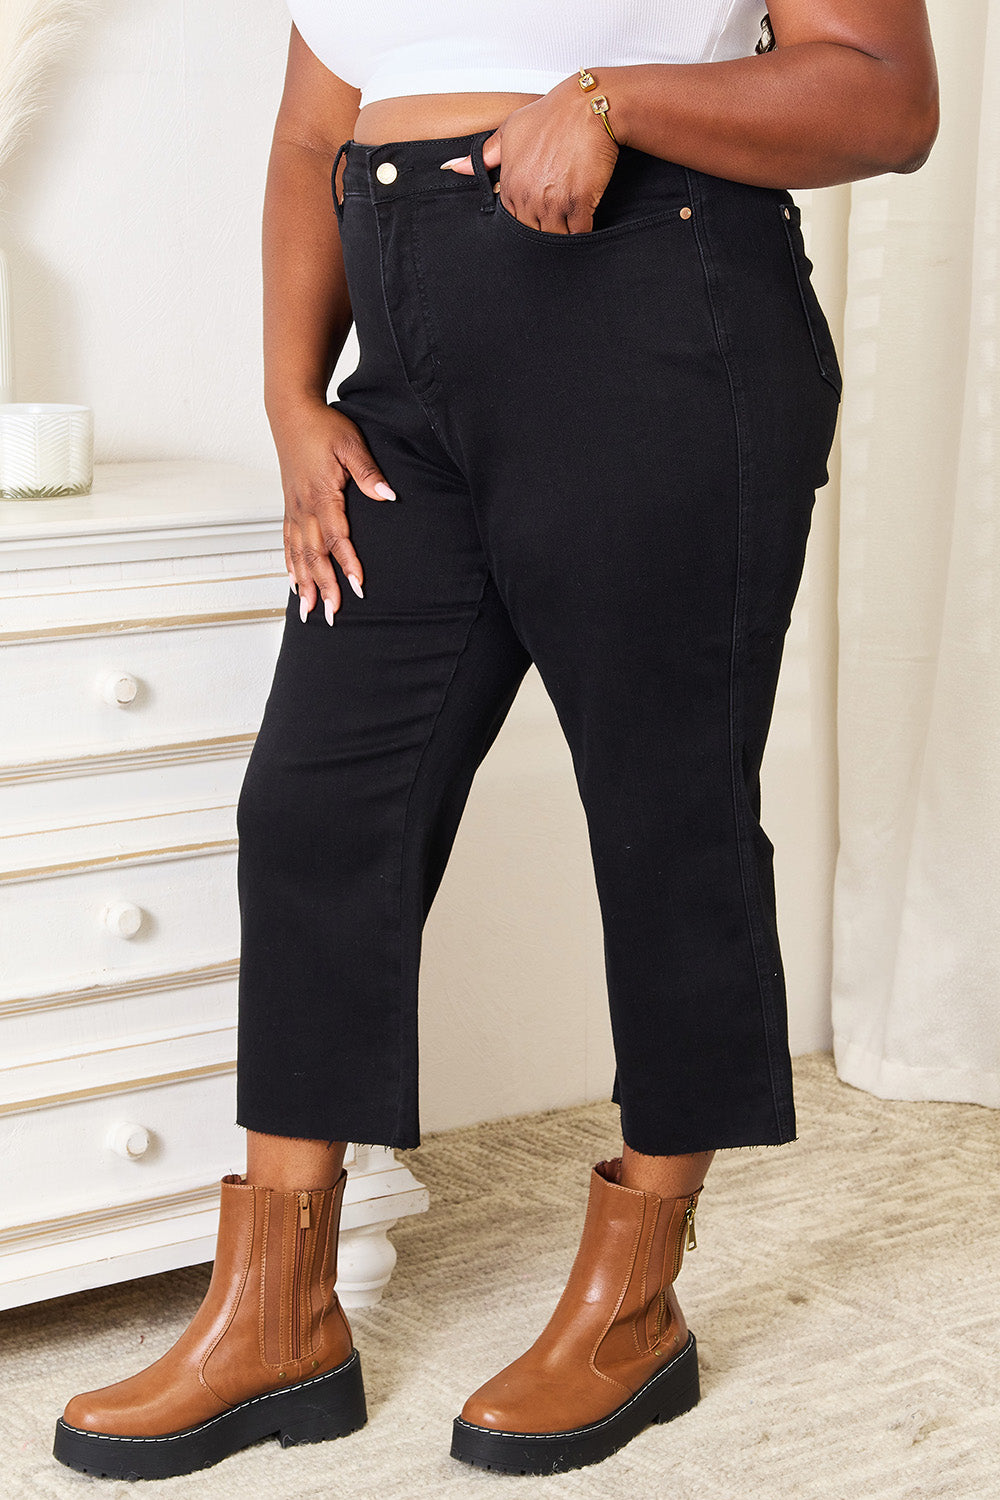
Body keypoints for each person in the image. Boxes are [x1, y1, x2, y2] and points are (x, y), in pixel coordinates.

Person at [52, 0, 938, 1482]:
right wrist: (290, 401)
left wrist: (612, 99)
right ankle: (278, 1310)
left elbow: (884, 97)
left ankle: (632, 1302)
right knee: (319, 809)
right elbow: (307, 137)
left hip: (659, 322)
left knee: (667, 814)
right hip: (404, 379)